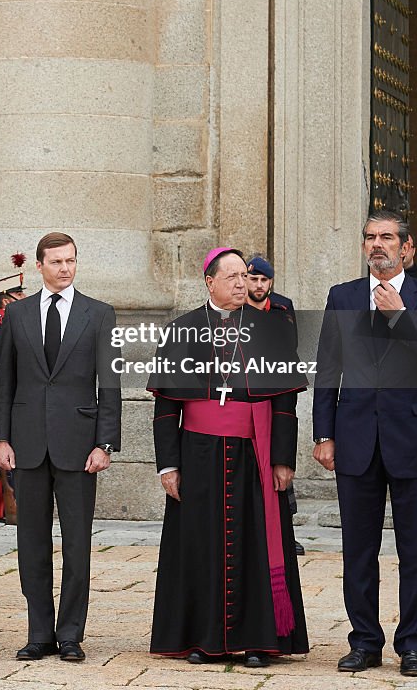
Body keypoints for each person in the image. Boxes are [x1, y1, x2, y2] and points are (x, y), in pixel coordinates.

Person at [313, 209, 417, 679]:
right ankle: (364, 642)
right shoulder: (342, 296)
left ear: (407, 247)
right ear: (364, 246)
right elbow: (328, 368)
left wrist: (402, 318)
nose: (378, 244)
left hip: (415, 438)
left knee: (416, 551)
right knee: (358, 551)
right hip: (355, 438)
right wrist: (324, 433)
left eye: (388, 237)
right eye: (371, 237)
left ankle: (414, 646)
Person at [148, 248, 308, 668]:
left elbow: (285, 403)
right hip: (197, 452)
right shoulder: (182, 330)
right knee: (199, 543)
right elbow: (166, 407)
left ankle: (260, 639)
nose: (242, 283)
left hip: (254, 449)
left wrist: (282, 459)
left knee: (255, 539)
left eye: (246, 276)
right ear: (210, 281)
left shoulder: (272, 329)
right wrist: (168, 465)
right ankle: (203, 639)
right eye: (233, 276)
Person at [0, 232, 121, 663]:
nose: (65, 268)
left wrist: (105, 443)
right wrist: (3, 438)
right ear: (39, 265)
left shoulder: (100, 314)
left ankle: (70, 634)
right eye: (57, 262)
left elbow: (111, 385)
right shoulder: (18, 314)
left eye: (71, 261)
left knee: (77, 544)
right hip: (26, 445)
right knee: (30, 543)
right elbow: (5, 383)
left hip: (79, 446)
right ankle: (38, 633)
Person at [246, 255, 305, 556]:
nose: (258, 285)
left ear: (271, 281)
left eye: (263, 280)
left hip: (278, 390)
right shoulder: (236, 308)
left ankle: (286, 530)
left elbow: (289, 346)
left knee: (280, 460)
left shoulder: (283, 306)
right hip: (248, 395)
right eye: (253, 279)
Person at [0, 255, 27, 522]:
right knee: (4, 455)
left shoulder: (20, 324)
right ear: (6, 300)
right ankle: (2, 506)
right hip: (5, 399)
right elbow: (0, 367)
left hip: (22, 399)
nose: (25, 296)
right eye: (19, 293)